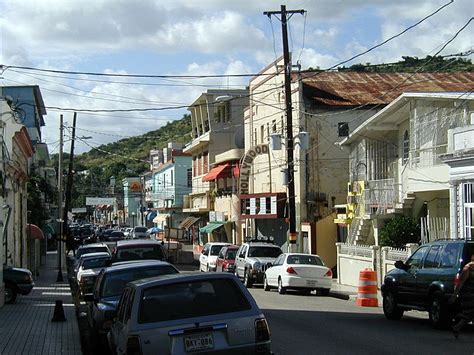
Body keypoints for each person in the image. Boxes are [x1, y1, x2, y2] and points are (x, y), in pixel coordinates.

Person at [449, 254, 474, 338]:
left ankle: (457, 326)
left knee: (470, 313)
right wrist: (454, 295)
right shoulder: (468, 268)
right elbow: (460, 283)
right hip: (468, 294)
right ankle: (458, 323)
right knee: (471, 313)